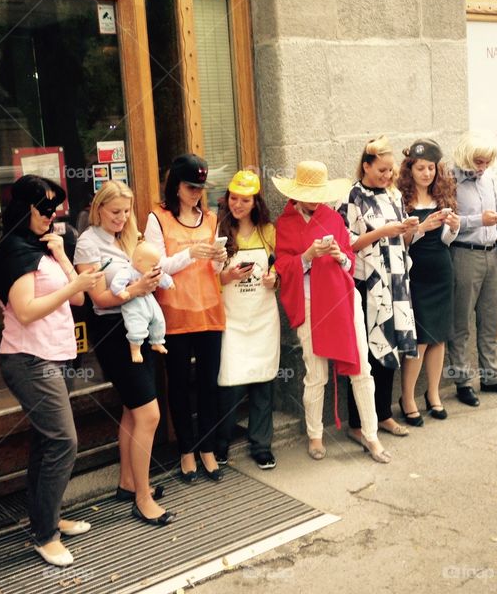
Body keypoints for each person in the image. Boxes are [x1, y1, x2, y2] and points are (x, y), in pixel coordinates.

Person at [0, 175, 102, 567]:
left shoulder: (45, 247)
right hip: (29, 360)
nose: (51, 216)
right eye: (44, 209)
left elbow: (82, 297)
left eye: (56, 209)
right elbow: (25, 311)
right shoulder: (15, 251)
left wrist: (64, 258)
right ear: (24, 208)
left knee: (46, 441)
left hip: (57, 357)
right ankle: (45, 535)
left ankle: (45, 517)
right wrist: (73, 285)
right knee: (62, 442)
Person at [273, 160, 392, 464]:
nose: (314, 201)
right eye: (308, 194)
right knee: (316, 372)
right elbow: (283, 267)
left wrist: (341, 256)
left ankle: (371, 434)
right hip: (311, 301)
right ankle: (315, 434)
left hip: (342, 298)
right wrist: (307, 256)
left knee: (361, 367)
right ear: (296, 193)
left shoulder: (332, 217)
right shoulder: (285, 223)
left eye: (318, 194)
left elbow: (351, 260)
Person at [73, 181, 175, 526]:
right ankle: (143, 499)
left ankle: (128, 484)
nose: (122, 217)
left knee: (133, 413)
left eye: (126, 211)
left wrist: (152, 278)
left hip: (139, 329)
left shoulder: (128, 236)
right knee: (149, 415)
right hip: (114, 333)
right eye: (115, 212)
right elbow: (98, 299)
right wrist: (136, 289)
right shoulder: (87, 243)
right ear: (98, 209)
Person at [144, 153, 228, 482]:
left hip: (209, 310)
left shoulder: (210, 218)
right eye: (191, 186)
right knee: (178, 385)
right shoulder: (158, 218)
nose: (196, 193)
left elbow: (216, 270)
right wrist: (189, 254)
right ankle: (186, 449)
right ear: (176, 185)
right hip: (173, 314)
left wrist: (220, 257)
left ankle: (207, 447)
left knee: (208, 384)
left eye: (200, 187)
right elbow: (155, 267)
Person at [338, 136, 417, 438]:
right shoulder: (351, 198)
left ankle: (383, 414)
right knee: (367, 351)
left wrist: (412, 229)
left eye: (390, 171)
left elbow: (403, 241)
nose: (387, 176)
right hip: (365, 281)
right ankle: (358, 423)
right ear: (366, 166)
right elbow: (349, 245)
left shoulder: (393, 195)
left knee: (390, 345)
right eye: (381, 170)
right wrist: (382, 231)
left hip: (395, 278)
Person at [445, 132, 497, 406]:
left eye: (487, 162)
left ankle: (491, 376)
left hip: (492, 255)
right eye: (478, 161)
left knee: (490, 319)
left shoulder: (489, 180)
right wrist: (479, 220)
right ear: (467, 157)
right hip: (464, 254)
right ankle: (463, 382)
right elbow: (449, 222)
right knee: (461, 321)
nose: (482, 167)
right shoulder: (450, 181)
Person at [214, 170, 280, 470]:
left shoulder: (269, 231)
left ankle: (261, 445)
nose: (238, 205)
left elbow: (282, 269)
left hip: (263, 317)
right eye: (234, 199)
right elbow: (207, 277)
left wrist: (273, 279)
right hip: (231, 319)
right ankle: (220, 444)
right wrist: (226, 276)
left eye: (245, 200)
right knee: (228, 383)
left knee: (263, 382)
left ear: (255, 202)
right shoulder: (217, 230)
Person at [396, 139, 460, 422]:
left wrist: (452, 229)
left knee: (439, 338)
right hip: (416, 273)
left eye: (431, 168)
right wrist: (421, 227)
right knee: (419, 339)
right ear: (410, 170)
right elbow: (401, 242)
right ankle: (407, 396)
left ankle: (432, 393)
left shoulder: (442, 196)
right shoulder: (401, 200)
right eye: (420, 168)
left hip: (441, 270)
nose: (426, 173)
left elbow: (446, 241)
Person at [109, 241, 174, 362]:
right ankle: (135, 349)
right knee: (136, 325)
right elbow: (116, 283)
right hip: (134, 303)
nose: (154, 268)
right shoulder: (128, 271)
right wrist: (120, 291)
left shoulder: (150, 270)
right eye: (152, 265)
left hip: (149, 300)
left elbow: (162, 275)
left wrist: (169, 283)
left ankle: (157, 341)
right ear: (139, 261)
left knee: (158, 320)